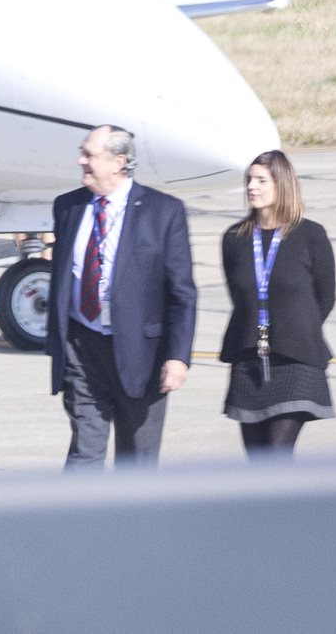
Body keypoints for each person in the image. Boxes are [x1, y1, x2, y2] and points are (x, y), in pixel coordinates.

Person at [46, 125, 197, 469]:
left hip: (141, 356)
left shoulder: (163, 212)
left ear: (118, 162)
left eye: (88, 154)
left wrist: (177, 357)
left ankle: (133, 524)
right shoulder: (68, 207)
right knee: (84, 455)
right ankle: (81, 523)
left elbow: (182, 293)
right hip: (83, 349)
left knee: (137, 463)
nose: (79, 160)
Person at [219, 150, 336, 458]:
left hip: (296, 359)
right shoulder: (234, 238)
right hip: (249, 360)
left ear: (281, 184)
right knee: (258, 460)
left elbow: (326, 297)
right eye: (249, 180)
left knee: (277, 453)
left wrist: (296, 327)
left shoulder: (311, 234)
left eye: (261, 180)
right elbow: (240, 295)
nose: (251, 187)